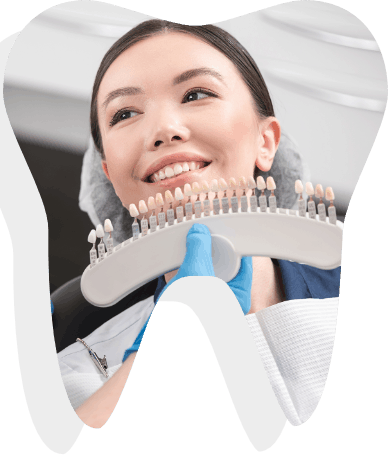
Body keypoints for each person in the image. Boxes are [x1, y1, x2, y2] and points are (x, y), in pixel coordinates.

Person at [55, 20, 341, 429]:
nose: (163, 131)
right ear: (110, 177)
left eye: (196, 94)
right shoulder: (78, 372)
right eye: (125, 113)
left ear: (266, 141)